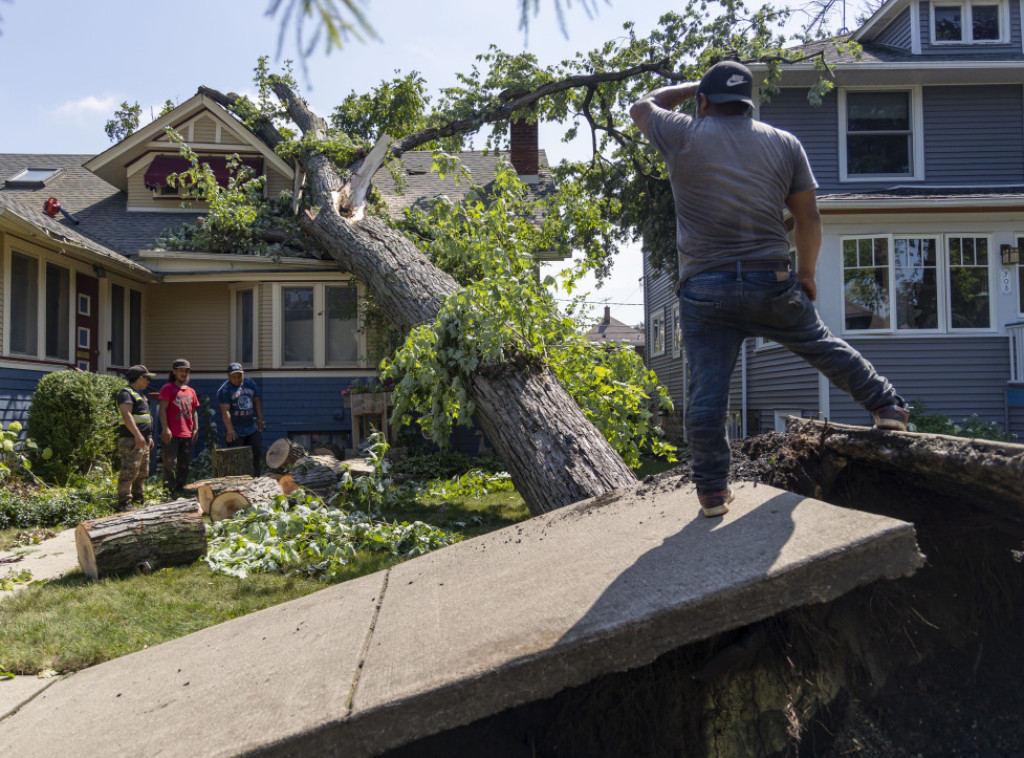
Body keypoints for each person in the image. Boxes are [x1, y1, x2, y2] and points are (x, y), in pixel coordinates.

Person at [630, 60, 909, 518]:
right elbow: (808, 219)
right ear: (748, 104)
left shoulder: (682, 134)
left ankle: (713, 492)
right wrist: (808, 273)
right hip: (771, 279)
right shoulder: (785, 143)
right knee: (821, 345)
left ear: (703, 102)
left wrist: (691, 86)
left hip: (705, 290)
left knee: (707, 391)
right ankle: (887, 407)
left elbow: (644, 104)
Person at [116, 365, 156, 511]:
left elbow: (145, 417)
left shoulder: (140, 394)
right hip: (131, 440)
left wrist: (148, 436)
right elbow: (127, 416)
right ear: (140, 378)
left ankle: (138, 497)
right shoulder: (126, 394)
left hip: (143, 440)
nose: (148, 381)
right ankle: (124, 502)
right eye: (147, 378)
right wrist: (138, 435)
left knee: (142, 471)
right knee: (129, 470)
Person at [158, 358, 199, 495]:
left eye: (186, 371)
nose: (184, 373)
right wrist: (165, 428)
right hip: (172, 433)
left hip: (186, 433)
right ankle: (167, 490)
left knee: (184, 463)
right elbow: (162, 409)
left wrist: (195, 428)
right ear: (174, 372)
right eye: (181, 370)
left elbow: (194, 411)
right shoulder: (167, 388)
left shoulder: (191, 391)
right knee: (170, 463)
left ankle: (180, 487)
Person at [217, 363, 263, 474]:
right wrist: (230, 429)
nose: (237, 379)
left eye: (239, 376)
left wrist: (259, 418)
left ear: (243, 374)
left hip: (251, 427)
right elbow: (225, 411)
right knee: (237, 460)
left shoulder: (250, 383)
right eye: (234, 376)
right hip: (236, 430)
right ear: (229, 376)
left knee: (256, 455)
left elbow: (256, 400)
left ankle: (256, 480)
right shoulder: (224, 390)